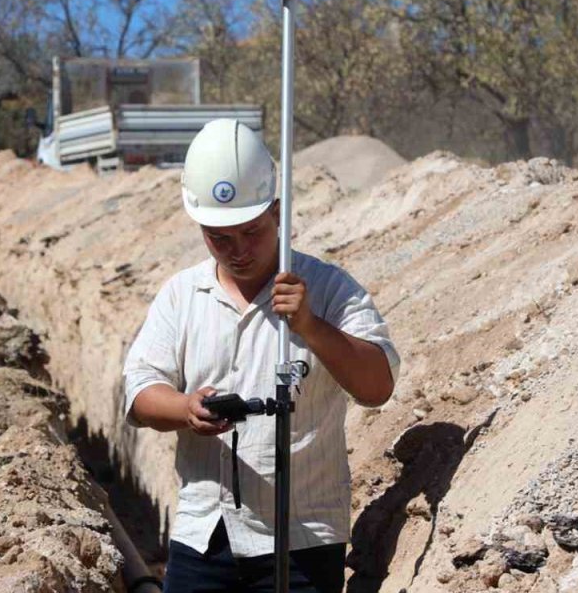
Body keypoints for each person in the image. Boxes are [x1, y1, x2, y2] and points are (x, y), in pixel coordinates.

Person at [123, 119, 400, 592]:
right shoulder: (182, 294)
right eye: (220, 238)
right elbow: (138, 392)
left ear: (277, 212)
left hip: (302, 542)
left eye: (251, 232)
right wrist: (186, 410)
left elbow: (378, 387)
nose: (239, 251)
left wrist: (311, 326)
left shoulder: (330, 288)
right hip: (205, 536)